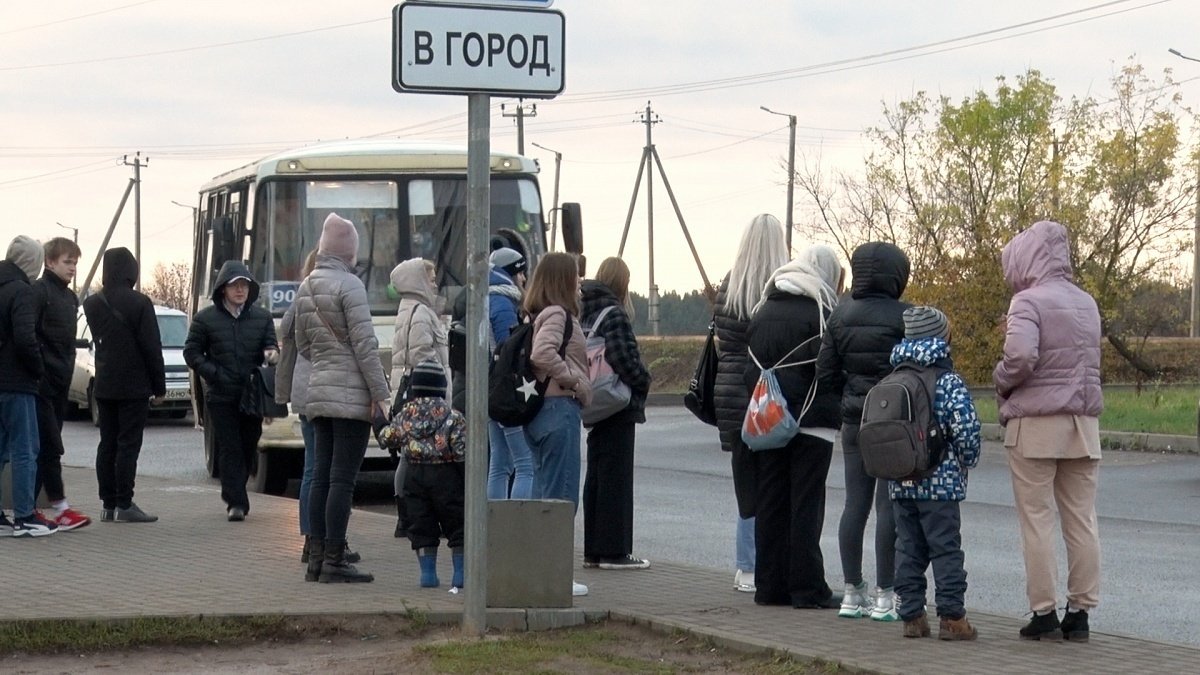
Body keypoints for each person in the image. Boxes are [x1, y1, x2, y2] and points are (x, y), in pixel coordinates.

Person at [994, 220, 1103, 643]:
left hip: (1036, 425)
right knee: (1082, 520)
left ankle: (1045, 613)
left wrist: (1000, 378)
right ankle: (1081, 612)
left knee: (1037, 520)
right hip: (1083, 424)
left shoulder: (1027, 301)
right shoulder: (1087, 303)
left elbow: (1020, 356)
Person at [744, 246, 843, 608]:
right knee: (806, 505)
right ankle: (807, 588)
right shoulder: (822, 310)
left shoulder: (763, 308)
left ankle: (768, 586)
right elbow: (830, 368)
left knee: (770, 502)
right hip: (811, 422)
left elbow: (747, 365)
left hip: (769, 419)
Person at [816, 241, 910, 620]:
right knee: (888, 507)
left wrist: (848, 401)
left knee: (855, 504)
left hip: (854, 421)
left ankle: (852, 593)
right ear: (896, 275)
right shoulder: (906, 316)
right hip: (893, 423)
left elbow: (824, 373)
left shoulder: (840, 316)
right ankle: (886, 595)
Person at [294, 212, 390, 584]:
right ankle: (335, 558)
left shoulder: (306, 286)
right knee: (342, 481)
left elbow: (302, 345)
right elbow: (366, 346)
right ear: (349, 252)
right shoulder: (351, 287)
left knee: (320, 477)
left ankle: (316, 557)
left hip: (317, 391)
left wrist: (326, 358)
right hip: (349, 397)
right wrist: (381, 395)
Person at [887, 306, 981, 641]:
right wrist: (967, 460)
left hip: (901, 480)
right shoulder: (947, 380)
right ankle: (953, 619)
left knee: (908, 548)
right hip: (940, 486)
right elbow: (966, 428)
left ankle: (912, 617)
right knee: (945, 550)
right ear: (941, 337)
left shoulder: (893, 377)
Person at [713, 214, 789, 593]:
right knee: (772, 478)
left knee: (744, 479)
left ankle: (745, 566)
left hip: (727, 390)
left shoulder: (730, 286)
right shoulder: (778, 288)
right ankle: (766, 561)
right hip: (762, 391)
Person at [184, 261, 279, 521]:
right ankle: (235, 502)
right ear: (222, 289)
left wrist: (272, 354)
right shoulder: (206, 319)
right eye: (234, 285)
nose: (240, 290)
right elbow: (191, 352)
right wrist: (214, 374)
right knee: (230, 447)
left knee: (249, 444)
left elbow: (270, 346)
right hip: (221, 394)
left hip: (251, 394)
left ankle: (237, 491)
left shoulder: (261, 317)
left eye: (244, 285)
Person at [523, 251, 593, 596]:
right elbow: (542, 353)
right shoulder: (557, 314)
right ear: (562, 280)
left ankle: (539, 571)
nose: (580, 283)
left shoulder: (537, 313)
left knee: (543, 494)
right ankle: (556, 576)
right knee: (562, 496)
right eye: (575, 277)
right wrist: (575, 381)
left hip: (541, 412)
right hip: (558, 408)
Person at [81, 247, 165, 524]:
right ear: (132, 270)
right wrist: (159, 386)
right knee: (128, 444)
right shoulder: (140, 303)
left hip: (104, 382)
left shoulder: (92, 304)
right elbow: (151, 347)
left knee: (107, 444)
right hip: (134, 385)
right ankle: (125, 504)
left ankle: (107, 504)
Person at [579, 257, 653, 570]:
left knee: (596, 476)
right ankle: (615, 551)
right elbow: (624, 358)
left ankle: (593, 550)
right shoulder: (615, 314)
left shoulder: (587, 311)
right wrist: (644, 380)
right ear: (622, 283)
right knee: (617, 480)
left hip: (594, 401)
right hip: (617, 402)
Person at [377, 360, 466, 589]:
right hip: (446, 475)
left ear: (414, 388)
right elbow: (461, 450)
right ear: (442, 387)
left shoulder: (406, 415)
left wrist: (378, 422)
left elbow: (387, 438)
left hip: (414, 474)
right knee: (457, 524)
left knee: (421, 524)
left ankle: (428, 574)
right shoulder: (452, 416)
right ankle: (460, 574)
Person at [31, 237, 91, 530]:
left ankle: (41, 506)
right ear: (49, 262)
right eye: (67, 261)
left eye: (75, 263)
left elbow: (66, 343)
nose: (72, 268)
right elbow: (30, 336)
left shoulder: (70, 298)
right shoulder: (38, 293)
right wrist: (39, 369)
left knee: (47, 446)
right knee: (47, 446)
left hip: (59, 384)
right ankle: (55, 507)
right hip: (39, 383)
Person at [0, 236, 57, 536]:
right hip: (17, 383)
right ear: (31, 262)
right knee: (25, 449)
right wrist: (37, 370)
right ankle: (25, 516)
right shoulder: (22, 291)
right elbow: (25, 338)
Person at [389, 257, 450, 538]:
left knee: (409, 454)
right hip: (424, 393)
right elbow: (423, 354)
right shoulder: (422, 312)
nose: (435, 283)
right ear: (418, 281)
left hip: (410, 390)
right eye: (431, 277)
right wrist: (439, 386)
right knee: (416, 457)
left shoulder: (408, 308)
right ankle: (410, 516)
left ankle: (406, 514)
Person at [485, 247, 534, 500]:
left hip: (490, 390)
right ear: (511, 274)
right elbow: (509, 352)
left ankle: (494, 527)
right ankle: (516, 531)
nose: (524, 279)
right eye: (522, 272)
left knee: (499, 465)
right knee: (525, 465)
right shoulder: (503, 303)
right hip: (506, 391)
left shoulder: (486, 298)